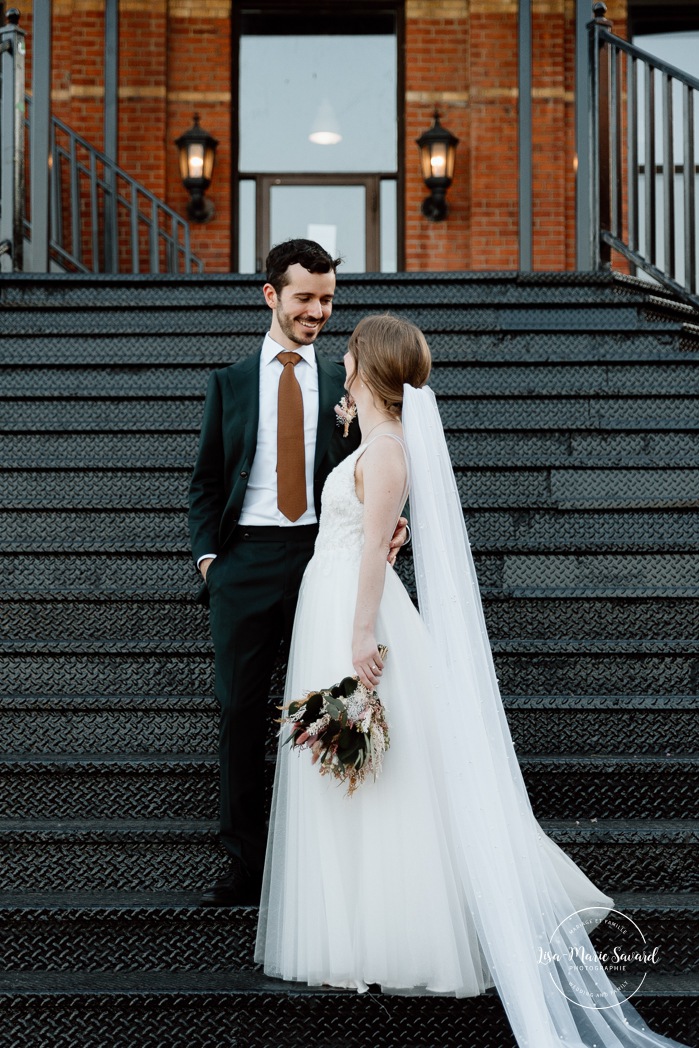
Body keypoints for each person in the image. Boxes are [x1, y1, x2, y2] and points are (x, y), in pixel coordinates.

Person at [255, 314, 689, 1048]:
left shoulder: (386, 449)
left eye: (351, 358)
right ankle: (348, 932)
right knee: (348, 767)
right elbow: (372, 534)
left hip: (353, 615)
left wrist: (361, 633)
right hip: (331, 603)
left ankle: (384, 937)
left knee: (376, 769)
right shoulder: (375, 443)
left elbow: (370, 556)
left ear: (368, 367)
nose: (343, 368)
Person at [188, 241, 407, 906]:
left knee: (329, 710)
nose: (318, 311)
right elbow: (204, 483)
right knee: (238, 712)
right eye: (305, 298)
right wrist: (209, 562)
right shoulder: (228, 384)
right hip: (245, 562)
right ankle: (245, 865)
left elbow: (379, 463)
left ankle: (328, 863)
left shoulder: (347, 387)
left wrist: (394, 524)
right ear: (270, 296)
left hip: (322, 561)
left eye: (327, 300)